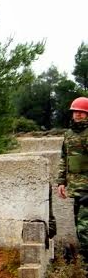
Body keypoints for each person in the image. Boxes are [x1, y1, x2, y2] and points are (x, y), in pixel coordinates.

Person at [57, 96, 88, 264]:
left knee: (85, 230)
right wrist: (61, 182)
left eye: (82, 112)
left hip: (87, 190)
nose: (78, 115)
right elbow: (64, 159)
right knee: (79, 227)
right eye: (76, 112)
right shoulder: (68, 135)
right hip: (76, 189)